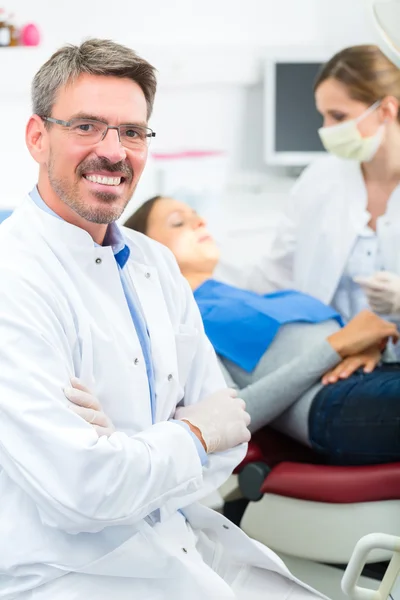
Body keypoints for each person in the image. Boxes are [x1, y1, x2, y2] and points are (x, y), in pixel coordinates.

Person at [0, 38, 329, 600]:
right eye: (86, 126)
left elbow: (230, 439)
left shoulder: (155, 263)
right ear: (37, 137)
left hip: (180, 542)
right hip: (72, 574)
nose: (113, 150)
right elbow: (85, 490)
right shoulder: (15, 277)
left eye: (132, 131)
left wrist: (135, 450)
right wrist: (191, 431)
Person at [125, 195, 400, 466]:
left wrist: (370, 349)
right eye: (178, 223)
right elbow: (226, 419)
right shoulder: (181, 320)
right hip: (335, 403)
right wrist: (335, 348)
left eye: (196, 215)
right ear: (146, 250)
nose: (199, 222)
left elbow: (357, 339)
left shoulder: (254, 295)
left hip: (378, 375)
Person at [243, 44, 400, 327]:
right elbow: (276, 276)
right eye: (323, 116)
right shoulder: (320, 178)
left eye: (338, 116)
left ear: (386, 110)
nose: (327, 129)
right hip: (332, 357)